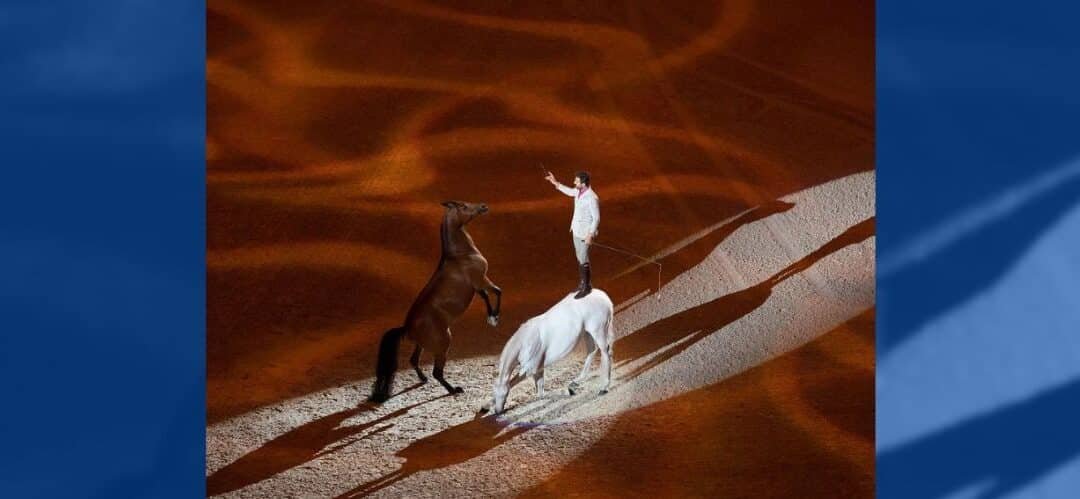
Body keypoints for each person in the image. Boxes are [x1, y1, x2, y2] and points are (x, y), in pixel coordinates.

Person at [544, 170, 599, 298]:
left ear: (583, 184)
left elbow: (596, 218)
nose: (574, 182)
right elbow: (569, 191)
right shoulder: (579, 191)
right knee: (579, 257)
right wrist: (554, 182)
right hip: (576, 230)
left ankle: (586, 287)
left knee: (583, 258)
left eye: (576, 181)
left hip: (585, 234)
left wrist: (590, 234)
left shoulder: (592, 198)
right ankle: (583, 283)